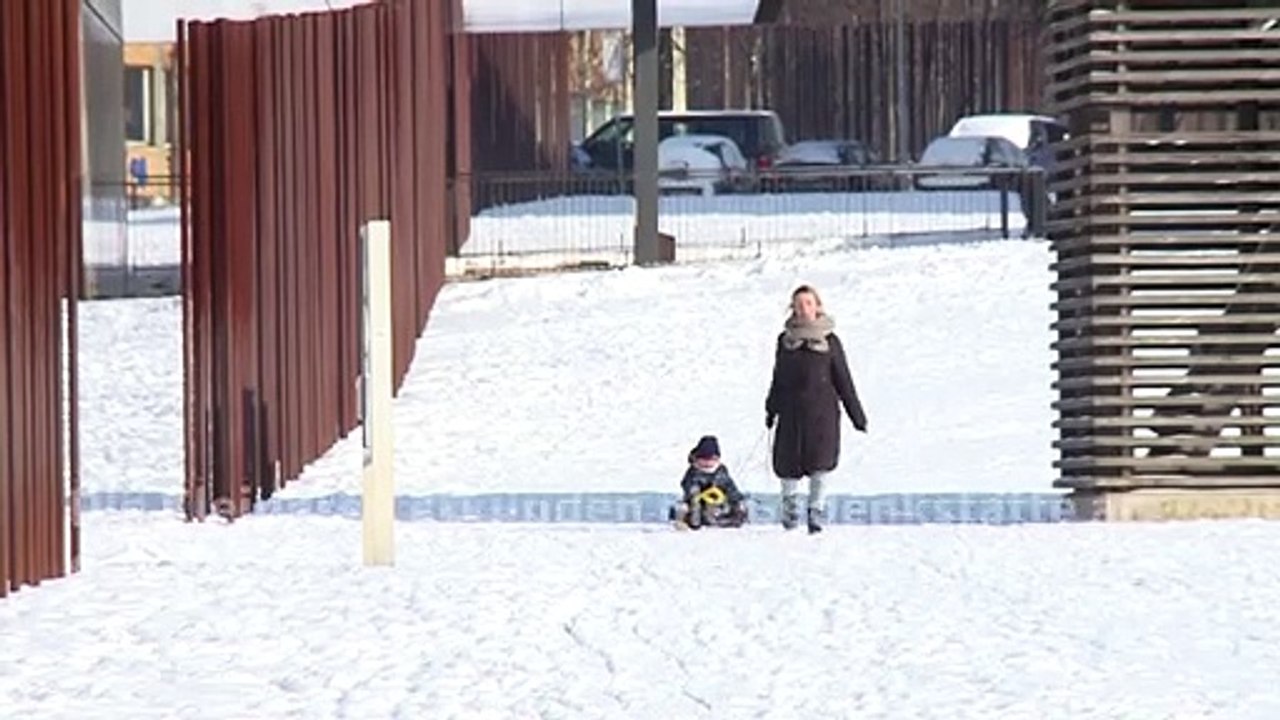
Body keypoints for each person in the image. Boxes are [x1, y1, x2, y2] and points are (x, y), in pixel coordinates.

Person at [765, 285, 868, 533]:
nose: (804, 309)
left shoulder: (830, 341)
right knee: (787, 464)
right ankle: (789, 507)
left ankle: (816, 510)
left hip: (821, 414)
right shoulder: (785, 341)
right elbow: (778, 377)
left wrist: (857, 416)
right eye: (798, 304)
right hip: (790, 413)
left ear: (818, 306)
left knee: (820, 464)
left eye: (808, 303)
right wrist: (771, 408)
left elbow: (843, 379)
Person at [670, 435, 748, 529]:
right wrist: (695, 492)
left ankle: (729, 520)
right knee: (687, 507)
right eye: (703, 460)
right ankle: (690, 521)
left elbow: (730, 487)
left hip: (718, 503)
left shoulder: (721, 472)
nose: (707, 463)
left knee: (734, 507)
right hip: (699, 503)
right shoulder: (694, 472)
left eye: (711, 460)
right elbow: (687, 484)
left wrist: (736, 499)